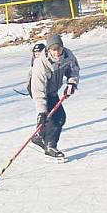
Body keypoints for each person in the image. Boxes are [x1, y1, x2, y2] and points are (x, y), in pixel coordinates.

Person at [29, 34, 80, 162]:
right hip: (39, 89)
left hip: (52, 90)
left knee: (58, 117)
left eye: (59, 48)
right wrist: (41, 112)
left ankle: (38, 137)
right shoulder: (41, 64)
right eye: (53, 49)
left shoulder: (68, 55)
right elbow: (38, 91)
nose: (57, 52)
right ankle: (50, 147)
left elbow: (74, 70)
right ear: (48, 50)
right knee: (56, 119)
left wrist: (72, 83)